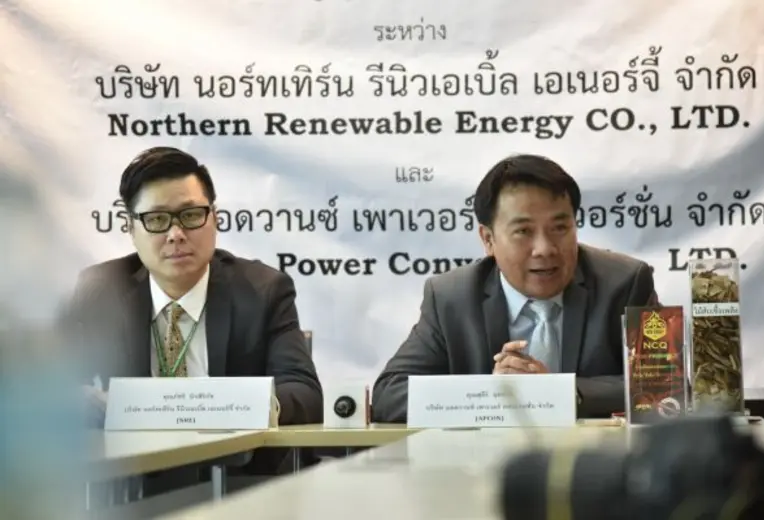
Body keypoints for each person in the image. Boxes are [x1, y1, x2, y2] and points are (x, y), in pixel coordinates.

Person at [63, 146, 322, 485]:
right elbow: (55, 389)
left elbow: (305, 393)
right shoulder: (101, 290)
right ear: (131, 229)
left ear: (215, 218)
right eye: (157, 220)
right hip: (130, 488)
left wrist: (232, 406)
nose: (176, 234)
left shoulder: (263, 291)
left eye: (190, 215)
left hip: (236, 483)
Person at [371, 153, 658, 423]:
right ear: (488, 240)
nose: (544, 249)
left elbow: (662, 386)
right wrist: (494, 395)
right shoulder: (451, 297)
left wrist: (559, 393)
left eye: (560, 228)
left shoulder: (625, 283)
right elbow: (389, 395)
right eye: (523, 231)